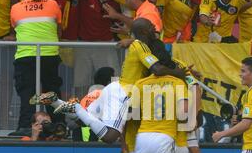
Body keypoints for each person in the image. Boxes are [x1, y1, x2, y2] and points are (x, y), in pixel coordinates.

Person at [33, 18, 187, 144]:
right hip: (125, 93)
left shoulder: (139, 45)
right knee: (110, 136)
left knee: (82, 121)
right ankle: (76, 107)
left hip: (115, 88)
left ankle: (55, 101)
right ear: (145, 31)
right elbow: (158, 69)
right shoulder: (140, 45)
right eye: (152, 26)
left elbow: (161, 60)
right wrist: (178, 73)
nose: (155, 28)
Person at [10, 0, 64, 134]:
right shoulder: (53, 4)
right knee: (52, 93)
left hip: (25, 56)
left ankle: (25, 127)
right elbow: (59, 28)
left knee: (27, 93)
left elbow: (15, 29)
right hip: (49, 54)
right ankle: (59, 126)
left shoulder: (16, 8)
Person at [70, 0, 122, 96]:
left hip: (106, 46)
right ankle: (80, 113)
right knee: (81, 84)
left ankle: (112, 112)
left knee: (113, 82)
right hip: (84, 46)